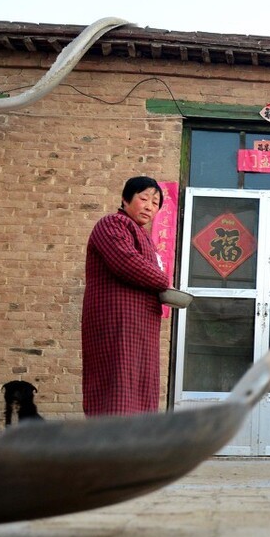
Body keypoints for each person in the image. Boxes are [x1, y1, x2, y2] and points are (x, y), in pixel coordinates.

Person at [81, 176, 172, 416]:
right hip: (117, 322)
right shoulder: (112, 223)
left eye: (155, 203)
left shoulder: (144, 236)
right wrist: (165, 282)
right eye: (144, 199)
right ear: (125, 199)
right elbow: (127, 262)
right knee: (117, 384)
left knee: (141, 384)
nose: (149, 207)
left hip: (141, 324)